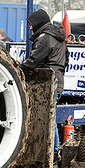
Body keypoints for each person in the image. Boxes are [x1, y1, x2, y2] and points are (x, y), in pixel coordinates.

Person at [19, 9, 68, 160]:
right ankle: (52, 153)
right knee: (50, 117)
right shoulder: (58, 38)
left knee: (48, 118)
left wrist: (18, 67)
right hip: (58, 81)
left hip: (48, 82)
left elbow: (34, 61)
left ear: (38, 23)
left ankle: (50, 154)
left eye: (32, 25)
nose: (30, 28)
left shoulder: (45, 38)